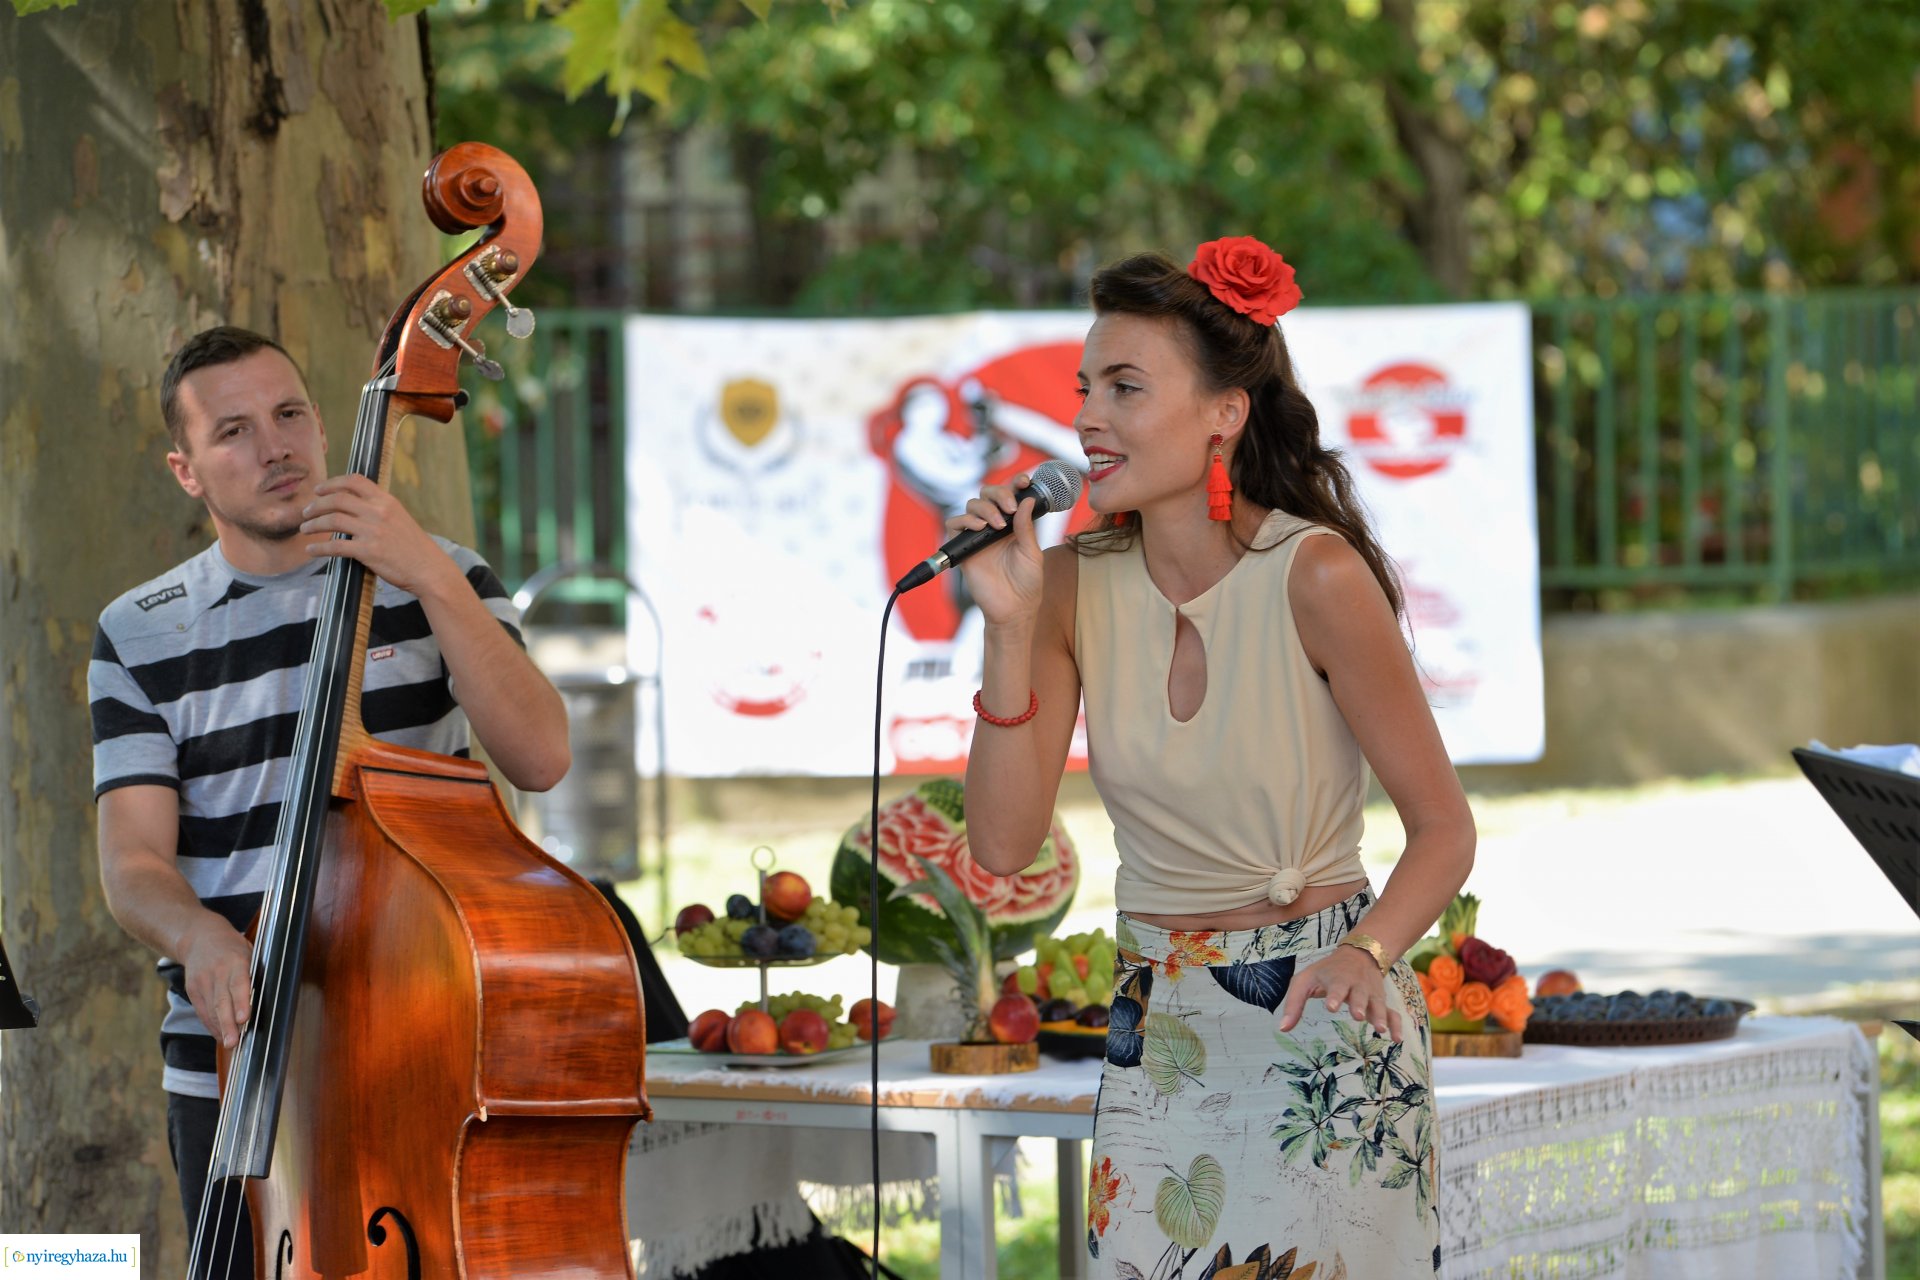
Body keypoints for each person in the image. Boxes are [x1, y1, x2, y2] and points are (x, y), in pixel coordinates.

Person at [955, 238, 1474, 1277]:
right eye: (1085, 388)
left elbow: (1444, 829)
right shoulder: (1061, 586)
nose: (1088, 418)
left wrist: (1364, 954)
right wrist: (1006, 627)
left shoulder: (1315, 574)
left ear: (1224, 411)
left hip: (1325, 1014)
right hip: (1162, 1026)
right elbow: (1005, 846)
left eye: (1126, 386)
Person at [87, 327, 570, 1277]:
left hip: (425, 1039)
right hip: (238, 1054)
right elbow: (133, 864)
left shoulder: (449, 577)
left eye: (291, 413)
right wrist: (198, 940)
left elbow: (541, 755)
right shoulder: (138, 633)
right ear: (187, 472)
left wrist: (426, 572)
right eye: (233, 431)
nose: (276, 447)